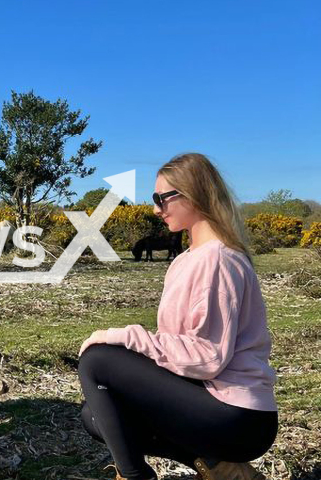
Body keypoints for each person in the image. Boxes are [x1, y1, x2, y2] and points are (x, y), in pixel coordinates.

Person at [77, 153, 278, 480]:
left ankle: (133, 476)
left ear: (194, 194)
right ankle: (220, 466)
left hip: (239, 415)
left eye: (162, 198)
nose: (156, 209)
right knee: (97, 415)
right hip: (211, 401)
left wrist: (124, 337)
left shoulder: (218, 260)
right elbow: (180, 350)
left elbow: (207, 356)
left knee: (96, 360)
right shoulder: (187, 259)